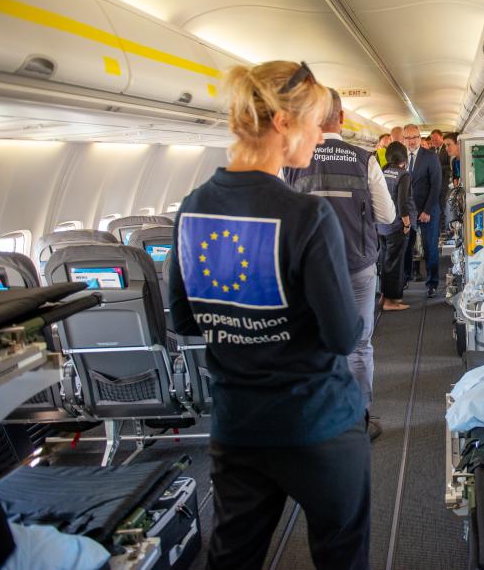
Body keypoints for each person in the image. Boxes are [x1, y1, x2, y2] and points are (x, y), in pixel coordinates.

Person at [168, 61, 370, 570]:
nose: (321, 137)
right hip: (316, 422)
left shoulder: (192, 206)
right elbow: (343, 336)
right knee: (341, 556)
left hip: (237, 425)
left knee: (232, 558)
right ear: (283, 122)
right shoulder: (306, 215)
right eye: (316, 124)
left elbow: (185, 320)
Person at [284, 89, 394, 440]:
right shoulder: (364, 159)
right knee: (359, 345)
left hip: (310, 270)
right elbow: (387, 216)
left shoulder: (292, 161)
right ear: (342, 118)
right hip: (357, 265)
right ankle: (358, 420)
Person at [401, 124, 442, 297]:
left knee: (430, 247)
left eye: (414, 137)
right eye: (408, 138)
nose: (411, 141)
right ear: (403, 139)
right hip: (407, 212)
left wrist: (427, 211)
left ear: (419, 138)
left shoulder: (430, 157)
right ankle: (404, 279)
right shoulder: (400, 157)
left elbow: (436, 185)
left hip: (428, 209)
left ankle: (432, 283)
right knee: (406, 247)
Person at [377, 141, 414, 311]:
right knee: (395, 264)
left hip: (381, 226)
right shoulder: (403, 175)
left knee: (385, 261)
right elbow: (402, 203)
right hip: (396, 226)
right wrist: (407, 224)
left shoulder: (382, 171)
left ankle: (384, 295)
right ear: (404, 157)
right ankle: (391, 301)